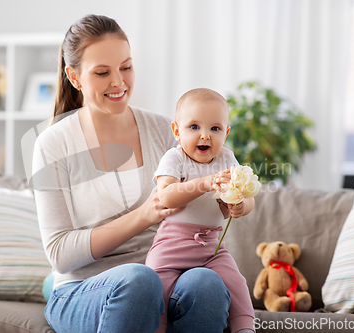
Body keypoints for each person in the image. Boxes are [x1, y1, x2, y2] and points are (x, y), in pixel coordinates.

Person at [32, 14, 232, 333]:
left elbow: (200, 202)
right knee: (138, 281)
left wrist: (225, 200)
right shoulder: (52, 144)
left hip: (165, 277)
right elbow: (60, 255)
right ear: (74, 76)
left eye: (126, 67)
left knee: (205, 282)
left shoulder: (164, 131)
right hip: (84, 289)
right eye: (102, 72)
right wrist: (143, 215)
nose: (119, 82)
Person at [145, 88, 256, 333]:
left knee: (236, 282)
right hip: (171, 245)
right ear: (177, 131)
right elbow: (166, 195)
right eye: (194, 127)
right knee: (156, 285)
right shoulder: (175, 158)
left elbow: (249, 199)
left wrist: (240, 206)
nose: (204, 135)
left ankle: (245, 327)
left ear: (226, 133)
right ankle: (157, 327)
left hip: (211, 248)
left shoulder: (227, 159)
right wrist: (204, 183)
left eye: (215, 129)